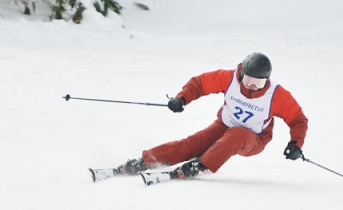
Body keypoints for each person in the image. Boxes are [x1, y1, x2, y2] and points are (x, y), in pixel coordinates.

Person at [116, 52, 308, 178]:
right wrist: (181, 98)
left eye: (258, 83)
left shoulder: (276, 95)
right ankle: (146, 160)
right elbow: (200, 83)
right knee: (191, 144)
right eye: (248, 80)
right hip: (224, 126)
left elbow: (298, 120)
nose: (251, 86)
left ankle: (199, 166)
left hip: (254, 139)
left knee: (237, 134)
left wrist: (295, 144)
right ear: (241, 74)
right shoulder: (229, 78)